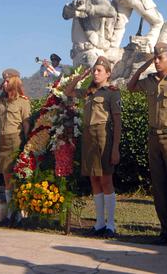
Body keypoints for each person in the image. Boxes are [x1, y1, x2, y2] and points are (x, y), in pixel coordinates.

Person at [127, 42, 167, 244]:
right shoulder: (149, 81)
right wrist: (143, 66)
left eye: (159, 58)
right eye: (154, 58)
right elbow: (130, 87)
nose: (156, 61)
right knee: (159, 186)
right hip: (153, 138)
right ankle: (165, 230)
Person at [64, 56, 121, 237]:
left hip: (104, 137)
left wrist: (115, 147)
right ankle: (100, 223)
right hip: (88, 138)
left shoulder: (112, 92)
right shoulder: (88, 92)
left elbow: (118, 121)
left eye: (99, 71)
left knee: (105, 179)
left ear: (108, 74)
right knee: (94, 180)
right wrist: (80, 76)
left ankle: (111, 224)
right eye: (94, 70)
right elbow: (68, 91)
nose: (96, 73)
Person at [0, 68, 31, 226]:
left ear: (14, 81)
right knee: (6, 177)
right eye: (3, 80)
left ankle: (20, 215)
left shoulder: (22, 101)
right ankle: (10, 213)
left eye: (7, 81)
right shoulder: (2, 101)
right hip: (3, 141)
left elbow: (26, 123)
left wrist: (28, 144)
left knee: (17, 177)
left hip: (16, 140)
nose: (4, 83)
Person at [63, 0, 116, 67]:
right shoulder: (77, 1)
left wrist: (87, 8)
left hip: (92, 51)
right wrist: (73, 9)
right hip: (77, 53)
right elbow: (65, 15)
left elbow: (110, 11)